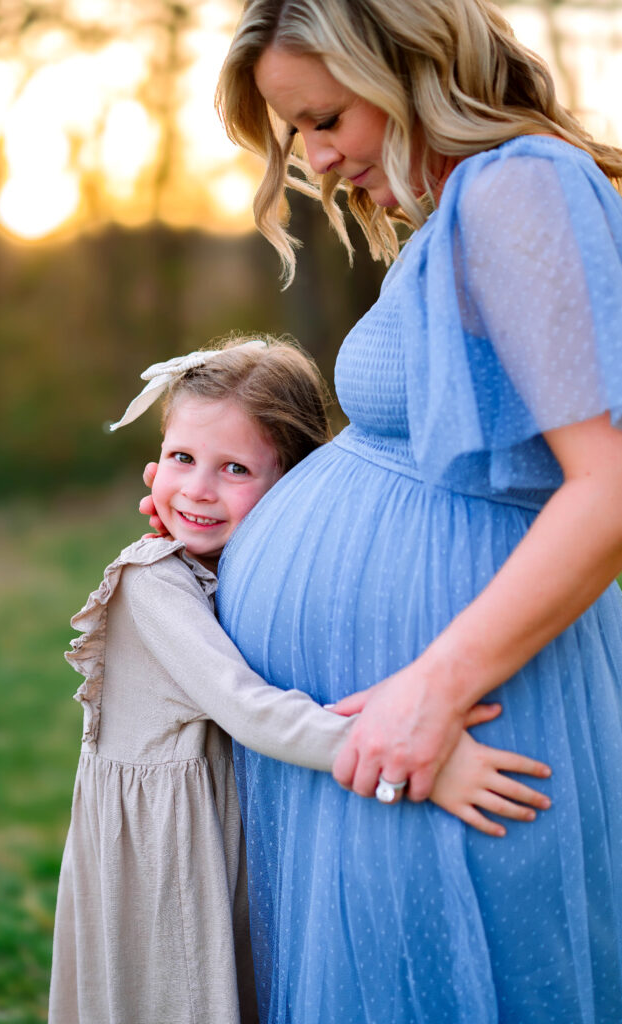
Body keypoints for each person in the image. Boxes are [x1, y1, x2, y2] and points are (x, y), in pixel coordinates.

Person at [197, 1, 622, 1021]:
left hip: (461, 708)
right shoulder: (475, 208)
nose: (318, 156)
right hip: (398, 713)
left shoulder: (518, 184)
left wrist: (434, 687)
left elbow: (607, 485)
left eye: (327, 117)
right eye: (298, 130)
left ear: (414, 72)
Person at [49, 337, 549, 1024]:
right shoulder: (151, 584)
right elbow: (252, 711)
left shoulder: (221, 570)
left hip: (211, 828)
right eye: (180, 459)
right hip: (163, 860)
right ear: (152, 465)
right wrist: (407, 759)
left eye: (233, 469)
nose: (196, 488)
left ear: (292, 488)